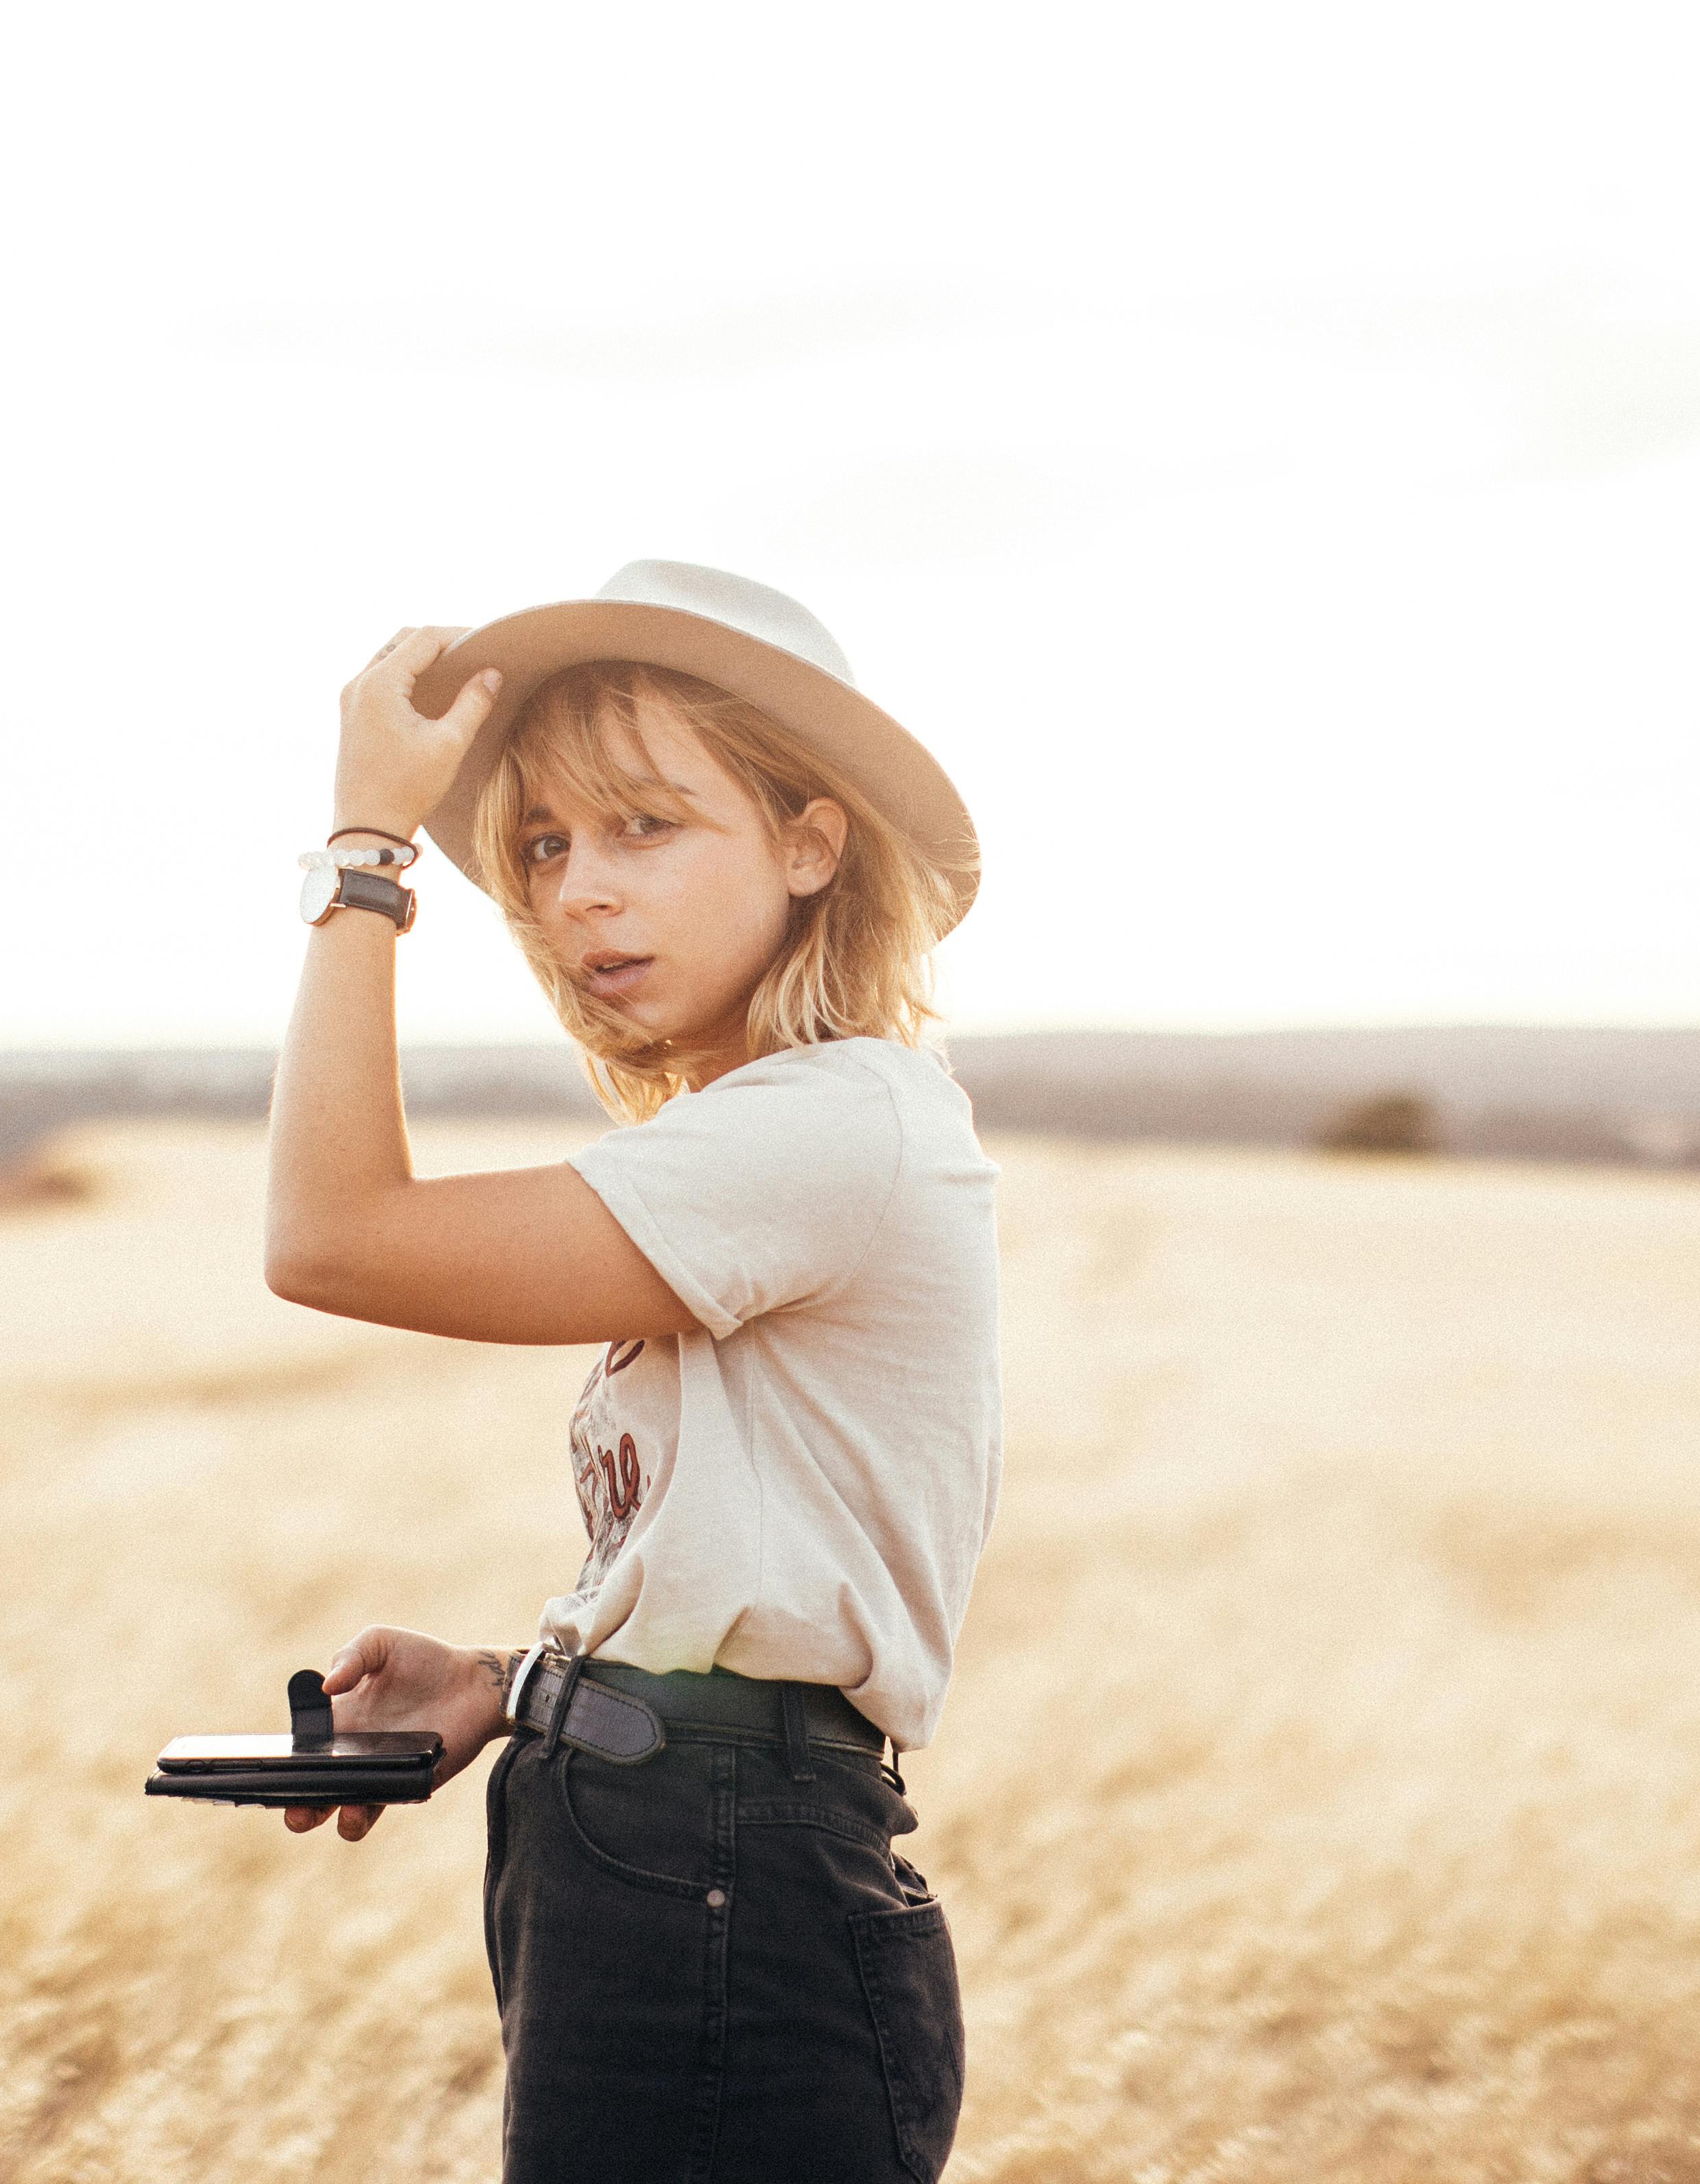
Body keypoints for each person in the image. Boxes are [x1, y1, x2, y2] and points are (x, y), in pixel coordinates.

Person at [261, 560, 999, 2184]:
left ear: (811, 846)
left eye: (646, 827)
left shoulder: (835, 1122)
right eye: (543, 845)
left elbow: (330, 1237)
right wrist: (514, 1689)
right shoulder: (759, 1137)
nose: (579, 890)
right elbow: (725, 1586)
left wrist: (367, 855)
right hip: (665, 1844)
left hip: (725, 1867)